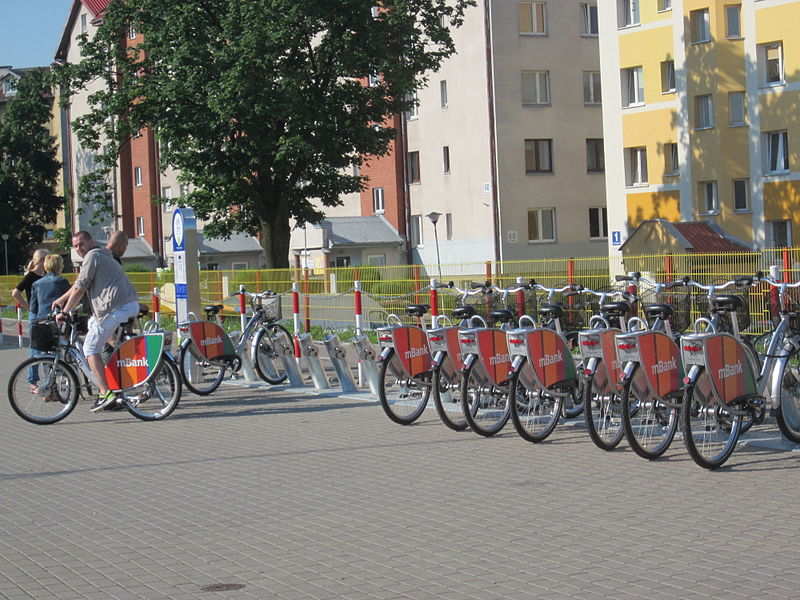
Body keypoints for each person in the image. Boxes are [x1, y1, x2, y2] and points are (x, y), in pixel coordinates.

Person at [53, 231, 140, 412]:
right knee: (94, 326)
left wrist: (65, 311)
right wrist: (62, 299)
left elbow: (81, 286)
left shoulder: (92, 256)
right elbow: (79, 283)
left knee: (90, 349)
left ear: (91, 241)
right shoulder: (101, 255)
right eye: (75, 246)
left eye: (81, 244)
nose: (79, 249)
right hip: (122, 306)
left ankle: (105, 392)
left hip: (115, 307)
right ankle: (114, 385)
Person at [27, 254, 71, 395]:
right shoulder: (62, 282)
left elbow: (33, 307)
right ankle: (64, 381)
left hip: (41, 322)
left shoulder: (37, 284)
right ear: (59, 266)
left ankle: (49, 388)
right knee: (62, 352)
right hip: (58, 322)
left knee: (46, 355)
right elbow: (70, 301)